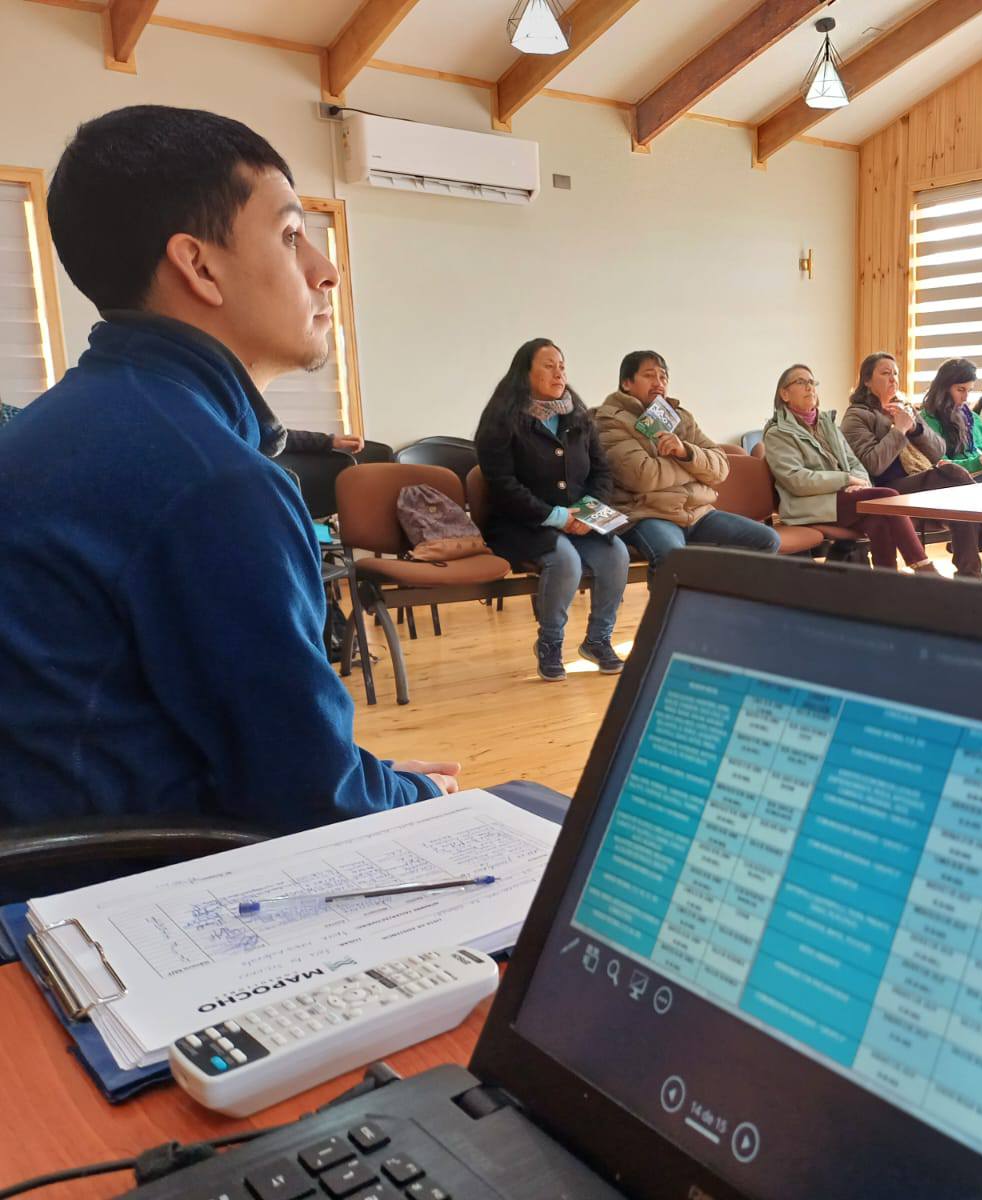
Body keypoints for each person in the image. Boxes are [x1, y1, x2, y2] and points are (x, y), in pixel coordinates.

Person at [0, 105, 456, 887]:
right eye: (287, 236)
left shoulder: (61, 424)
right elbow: (312, 803)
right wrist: (420, 798)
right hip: (111, 912)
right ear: (199, 267)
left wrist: (362, 780)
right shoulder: (211, 481)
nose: (325, 268)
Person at [475, 339, 628, 683]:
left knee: (616, 553)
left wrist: (589, 512)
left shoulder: (578, 417)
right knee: (565, 561)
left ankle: (598, 640)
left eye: (561, 365)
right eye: (548, 365)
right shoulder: (501, 420)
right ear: (524, 373)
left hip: (578, 519)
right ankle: (550, 643)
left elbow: (602, 471)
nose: (559, 372)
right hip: (520, 523)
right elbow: (501, 484)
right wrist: (557, 517)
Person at [840, 353, 982, 580]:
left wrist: (916, 429)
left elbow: (938, 451)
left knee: (959, 496)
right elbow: (874, 464)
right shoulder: (857, 416)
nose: (893, 379)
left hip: (918, 479)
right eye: (885, 373)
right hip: (887, 489)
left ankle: (970, 576)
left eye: (896, 373)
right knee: (952, 473)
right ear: (867, 381)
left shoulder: (904, 407)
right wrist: (898, 430)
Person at [596, 350, 781, 572]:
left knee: (768, 539)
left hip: (697, 513)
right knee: (674, 557)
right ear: (627, 383)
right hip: (648, 513)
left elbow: (721, 467)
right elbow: (643, 476)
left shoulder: (681, 417)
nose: (658, 383)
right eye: (649, 375)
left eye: (663, 377)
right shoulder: (610, 420)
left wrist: (685, 452)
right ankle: (669, 608)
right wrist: (692, 467)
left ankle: (728, 602)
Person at [763, 364, 937, 573]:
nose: (809, 387)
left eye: (812, 382)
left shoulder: (827, 423)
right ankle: (924, 567)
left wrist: (859, 483)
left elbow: (853, 461)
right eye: (801, 382)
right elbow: (796, 480)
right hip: (807, 506)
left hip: (842, 497)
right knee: (888, 496)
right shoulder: (777, 433)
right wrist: (845, 480)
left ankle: (888, 584)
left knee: (878, 520)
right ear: (784, 394)